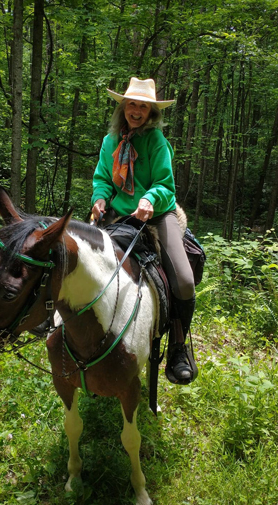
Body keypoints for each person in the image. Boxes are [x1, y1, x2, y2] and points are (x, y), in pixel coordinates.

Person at [91, 77, 197, 384]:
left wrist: (150, 199)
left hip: (157, 215)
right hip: (119, 215)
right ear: (124, 107)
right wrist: (99, 198)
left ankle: (178, 347)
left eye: (143, 106)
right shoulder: (110, 141)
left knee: (184, 281)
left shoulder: (157, 142)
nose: (136, 111)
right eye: (132, 104)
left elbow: (165, 184)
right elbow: (102, 178)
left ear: (151, 112)